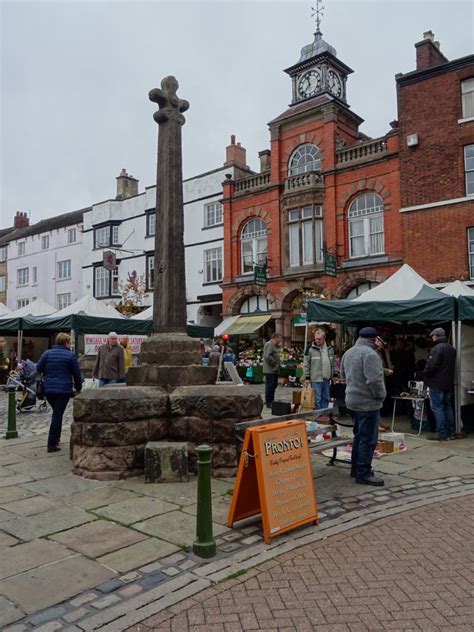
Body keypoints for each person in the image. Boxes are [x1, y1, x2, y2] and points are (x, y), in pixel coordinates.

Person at [341, 327, 386, 487]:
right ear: (374, 339)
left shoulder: (349, 352)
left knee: (359, 437)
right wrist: (381, 395)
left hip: (352, 401)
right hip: (367, 403)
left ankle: (356, 468)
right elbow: (374, 380)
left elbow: (343, 376)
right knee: (368, 439)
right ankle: (363, 473)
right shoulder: (370, 354)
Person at [36, 332, 82, 453]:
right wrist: (78, 388)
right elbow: (76, 374)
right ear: (66, 343)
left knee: (57, 413)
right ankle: (51, 444)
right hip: (63, 390)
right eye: (69, 343)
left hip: (48, 389)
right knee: (57, 415)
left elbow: (38, 368)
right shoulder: (70, 356)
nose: (70, 345)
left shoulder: (47, 353)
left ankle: (56, 438)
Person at [423, 327, 456, 441]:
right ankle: (451, 432)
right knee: (447, 407)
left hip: (437, 383)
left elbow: (431, 366)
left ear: (436, 336)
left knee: (437, 408)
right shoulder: (451, 348)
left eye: (432, 336)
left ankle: (441, 433)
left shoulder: (437, 348)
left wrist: (425, 374)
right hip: (448, 383)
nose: (432, 338)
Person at [303, 328, 335, 415]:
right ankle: (318, 417)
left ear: (324, 338)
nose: (317, 341)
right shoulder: (310, 348)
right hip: (316, 378)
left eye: (319, 339)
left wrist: (334, 375)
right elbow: (306, 364)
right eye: (316, 339)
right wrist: (307, 377)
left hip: (326, 378)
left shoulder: (330, 348)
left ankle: (324, 416)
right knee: (317, 399)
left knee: (326, 398)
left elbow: (333, 363)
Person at [263, 333, 282, 408]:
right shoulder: (269, 344)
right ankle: (269, 402)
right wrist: (274, 363)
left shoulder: (274, 346)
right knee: (270, 386)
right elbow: (267, 356)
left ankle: (271, 400)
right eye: (280, 338)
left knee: (273, 385)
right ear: (276, 338)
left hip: (274, 370)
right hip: (270, 370)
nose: (280, 340)